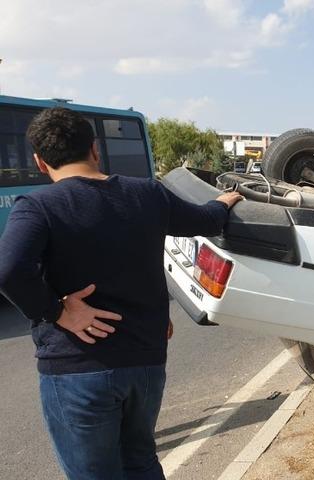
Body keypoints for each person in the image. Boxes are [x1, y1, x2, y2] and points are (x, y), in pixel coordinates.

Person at [0, 108, 243, 480]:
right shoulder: (147, 194)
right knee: (142, 463)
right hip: (145, 365)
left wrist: (59, 312)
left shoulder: (38, 208)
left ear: (39, 161)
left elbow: (9, 270)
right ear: (94, 149)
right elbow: (207, 220)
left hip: (76, 369)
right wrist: (226, 200)